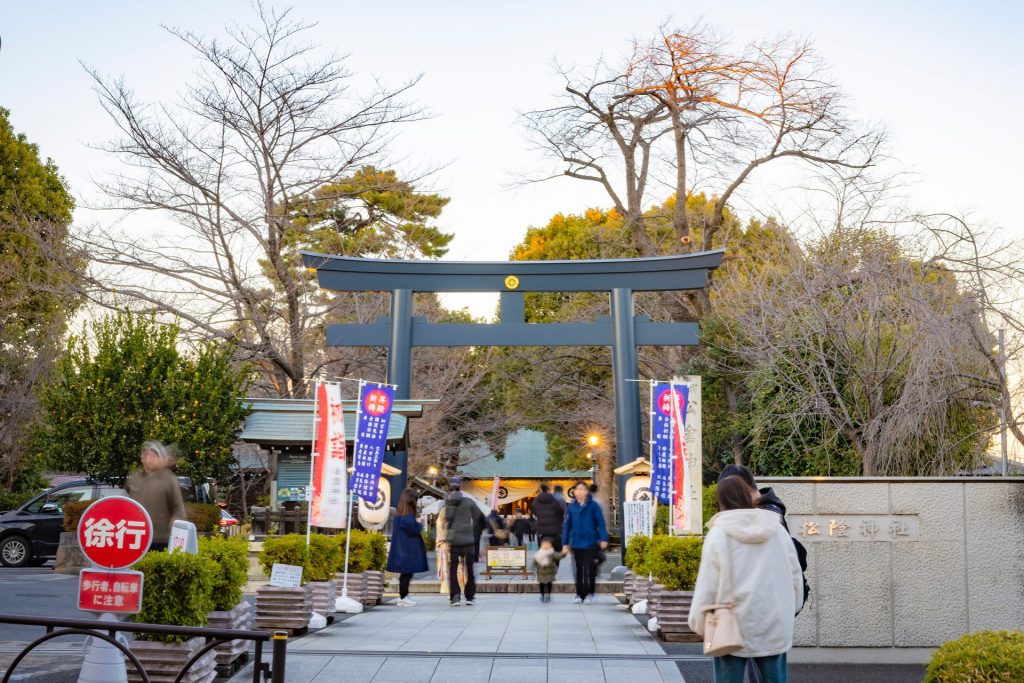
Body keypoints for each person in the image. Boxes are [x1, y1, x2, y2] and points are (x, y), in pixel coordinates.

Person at [689, 476, 803, 683]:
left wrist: (697, 622)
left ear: (721, 501)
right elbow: (794, 574)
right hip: (774, 622)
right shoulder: (776, 529)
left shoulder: (719, 534)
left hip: (729, 625)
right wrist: (791, 609)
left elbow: (708, 585)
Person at [718, 464, 810, 611]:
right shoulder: (772, 516)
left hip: (754, 610)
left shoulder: (767, 521)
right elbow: (795, 576)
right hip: (773, 612)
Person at [126, 441, 187, 552]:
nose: (147, 457)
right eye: (145, 454)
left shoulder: (169, 478)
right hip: (136, 536)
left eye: (152, 455)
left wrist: (176, 521)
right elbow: (127, 503)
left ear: (160, 458)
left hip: (159, 539)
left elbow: (178, 507)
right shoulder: (135, 477)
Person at [561, 480, 608, 604]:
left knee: (590, 569)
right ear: (574, 492)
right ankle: (579, 594)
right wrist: (565, 543)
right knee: (579, 569)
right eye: (578, 489)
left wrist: (604, 539)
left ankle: (590, 593)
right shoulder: (571, 507)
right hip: (576, 543)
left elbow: (601, 523)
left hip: (591, 542)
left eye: (582, 489)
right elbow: (567, 526)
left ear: (587, 492)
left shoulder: (593, 506)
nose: (580, 491)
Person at [444, 477, 484, 607]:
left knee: (453, 568)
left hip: (454, 540)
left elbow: (447, 518)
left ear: (450, 488)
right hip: (468, 540)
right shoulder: (469, 502)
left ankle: (455, 596)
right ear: (460, 488)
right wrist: (474, 533)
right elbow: (480, 517)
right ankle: (469, 596)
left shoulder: (447, 502)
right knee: (469, 569)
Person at [387, 488, 428, 607]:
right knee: (407, 573)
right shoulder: (408, 516)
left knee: (405, 574)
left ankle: (403, 596)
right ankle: (403, 597)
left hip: (402, 549)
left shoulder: (400, 514)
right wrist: (419, 523)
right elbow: (414, 530)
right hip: (407, 550)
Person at [531, 483, 566, 550]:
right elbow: (561, 513)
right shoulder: (555, 500)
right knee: (555, 553)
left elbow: (535, 513)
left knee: (544, 553)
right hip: (555, 532)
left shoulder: (536, 501)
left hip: (541, 532)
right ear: (548, 490)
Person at [533, 537, 565, 603]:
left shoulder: (552, 553)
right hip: (541, 574)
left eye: (547, 544)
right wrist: (533, 567)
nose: (545, 546)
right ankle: (542, 594)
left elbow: (559, 556)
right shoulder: (539, 553)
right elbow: (534, 561)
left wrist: (564, 553)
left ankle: (548, 595)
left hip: (550, 573)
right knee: (541, 585)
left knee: (549, 585)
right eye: (544, 544)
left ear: (551, 545)